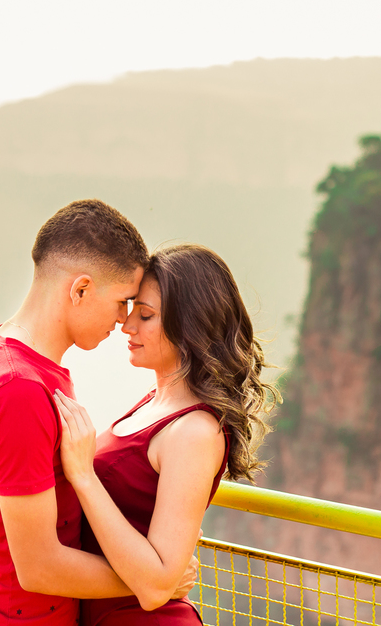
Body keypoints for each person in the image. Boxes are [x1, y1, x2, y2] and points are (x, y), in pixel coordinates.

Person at [0, 200, 198, 626]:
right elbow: (39, 567)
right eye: (122, 301)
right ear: (80, 290)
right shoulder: (18, 389)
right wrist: (154, 581)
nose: (124, 320)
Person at [53, 244, 279, 625]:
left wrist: (83, 475)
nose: (127, 326)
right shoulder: (152, 404)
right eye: (130, 312)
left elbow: (157, 585)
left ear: (188, 324)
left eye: (145, 315)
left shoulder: (195, 431)